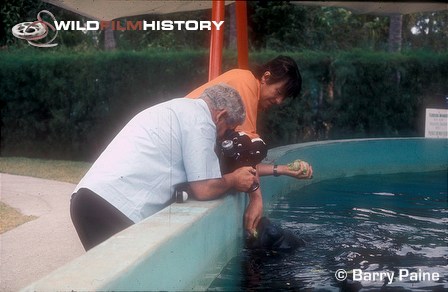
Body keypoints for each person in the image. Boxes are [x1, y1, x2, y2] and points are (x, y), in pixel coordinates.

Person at [70, 84, 257, 251]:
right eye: (229, 129)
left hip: (87, 198)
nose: (224, 137)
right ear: (221, 115)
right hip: (113, 207)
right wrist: (234, 179)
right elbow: (204, 188)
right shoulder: (201, 121)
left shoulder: (176, 108)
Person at [186, 56, 313, 235]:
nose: (279, 101)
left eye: (284, 97)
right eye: (278, 92)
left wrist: (284, 169)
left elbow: (241, 162)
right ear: (266, 77)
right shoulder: (245, 83)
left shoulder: (246, 88)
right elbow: (246, 154)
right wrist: (256, 200)